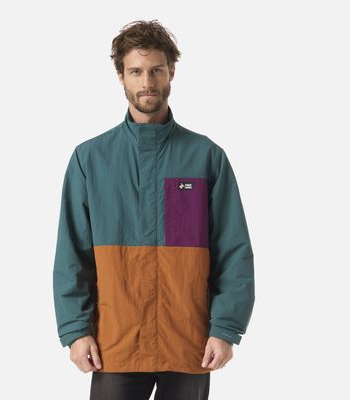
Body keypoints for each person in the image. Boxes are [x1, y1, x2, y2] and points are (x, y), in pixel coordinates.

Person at [52, 19, 255, 400]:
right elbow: (72, 254)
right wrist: (76, 331)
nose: (147, 81)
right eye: (136, 71)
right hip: (115, 343)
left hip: (189, 342)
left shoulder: (207, 157)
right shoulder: (90, 159)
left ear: (171, 72)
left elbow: (233, 250)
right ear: (120, 76)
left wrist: (226, 328)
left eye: (156, 70)